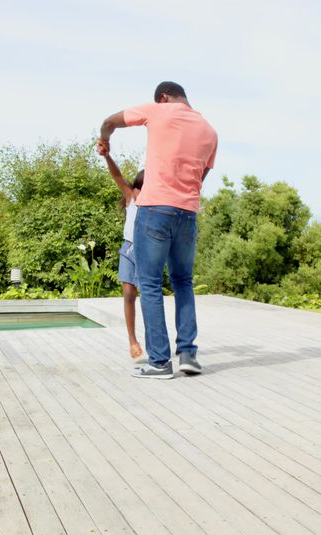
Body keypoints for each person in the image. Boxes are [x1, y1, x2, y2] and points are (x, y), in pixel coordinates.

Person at [97, 81, 218, 380]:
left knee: (150, 284)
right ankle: (188, 354)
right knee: (183, 282)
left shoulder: (158, 111)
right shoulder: (210, 131)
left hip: (155, 211)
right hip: (188, 213)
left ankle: (160, 362)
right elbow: (202, 174)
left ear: (163, 98)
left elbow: (110, 121)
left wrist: (105, 139)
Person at [101, 151, 147, 362]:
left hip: (148, 252)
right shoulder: (131, 197)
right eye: (139, 188)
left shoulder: (154, 202)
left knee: (148, 298)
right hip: (129, 249)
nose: (139, 192)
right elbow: (117, 175)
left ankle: (154, 341)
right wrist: (107, 156)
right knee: (129, 293)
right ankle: (132, 341)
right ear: (136, 188)